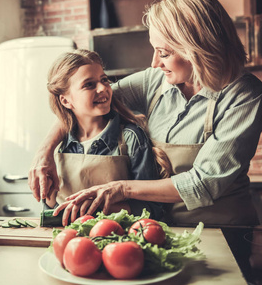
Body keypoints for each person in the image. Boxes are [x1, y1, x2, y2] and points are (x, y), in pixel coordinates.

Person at [29, 0, 262, 226]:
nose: (154, 63)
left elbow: (202, 183)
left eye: (163, 53)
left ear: (196, 49)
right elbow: (83, 106)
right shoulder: (155, 80)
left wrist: (122, 189)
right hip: (157, 228)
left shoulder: (244, 94)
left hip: (222, 229)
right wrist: (45, 152)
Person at [41, 49, 171, 225]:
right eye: (89, 84)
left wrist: (99, 208)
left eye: (104, 80)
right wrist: (48, 198)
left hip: (118, 241)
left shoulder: (131, 138)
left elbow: (152, 208)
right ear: (66, 101)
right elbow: (50, 212)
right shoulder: (58, 147)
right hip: (71, 243)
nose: (103, 88)